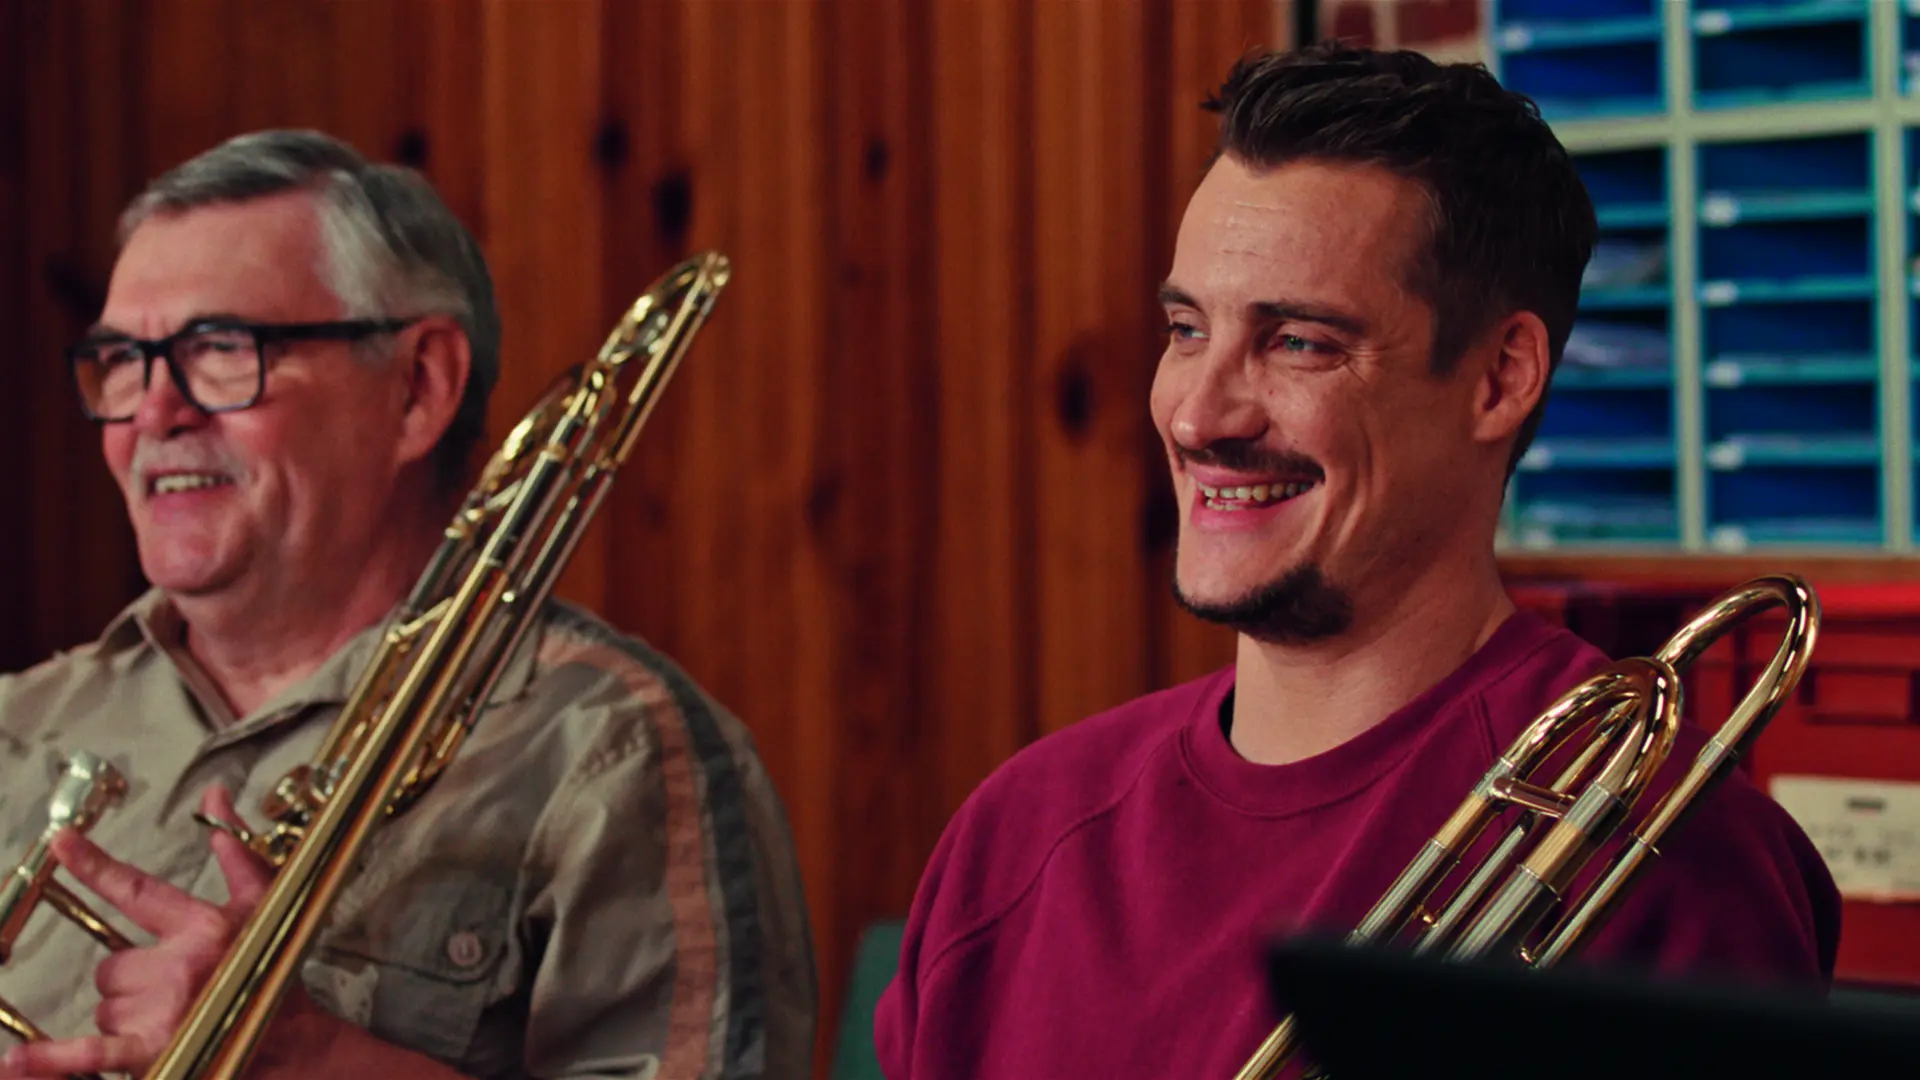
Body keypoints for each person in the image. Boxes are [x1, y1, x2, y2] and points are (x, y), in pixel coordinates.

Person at [874, 44, 1841, 1080]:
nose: (1199, 415)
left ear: (1499, 377)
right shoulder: (1018, 833)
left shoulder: (1657, 852)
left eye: (1299, 342)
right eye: (1186, 329)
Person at [0, 129, 817, 1080]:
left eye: (220, 350)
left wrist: (311, 1056)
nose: (151, 412)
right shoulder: (20, 726)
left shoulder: (615, 752)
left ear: (418, 388)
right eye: (122, 360)